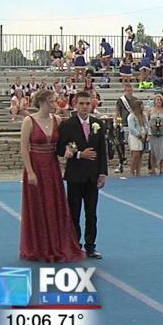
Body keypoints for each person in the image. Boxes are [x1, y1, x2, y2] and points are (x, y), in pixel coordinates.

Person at [19, 89, 85, 262]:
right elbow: (24, 148)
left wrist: (69, 151)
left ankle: (56, 243)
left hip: (52, 167)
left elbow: (63, 144)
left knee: (53, 204)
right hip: (35, 167)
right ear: (42, 102)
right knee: (38, 206)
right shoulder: (29, 121)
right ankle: (39, 246)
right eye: (52, 101)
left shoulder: (57, 120)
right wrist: (30, 172)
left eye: (55, 101)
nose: (55, 104)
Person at [56, 91, 108, 259]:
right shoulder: (67, 125)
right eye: (81, 104)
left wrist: (102, 173)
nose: (85, 107)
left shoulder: (98, 124)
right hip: (75, 176)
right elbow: (59, 148)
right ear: (75, 105)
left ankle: (91, 246)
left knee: (91, 213)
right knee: (74, 212)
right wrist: (78, 154)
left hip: (92, 176)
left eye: (87, 104)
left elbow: (102, 151)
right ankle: (74, 245)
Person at [147, 94, 163, 175]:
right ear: (154, 101)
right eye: (157, 100)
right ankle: (153, 168)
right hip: (153, 132)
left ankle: (162, 168)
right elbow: (147, 122)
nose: (159, 101)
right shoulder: (150, 110)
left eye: (160, 100)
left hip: (162, 132)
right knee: (153, 150)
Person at [127, 100, 149, 177]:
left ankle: (138, 171)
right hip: (134, 137)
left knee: (140, 154)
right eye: (141, 105)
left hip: (143, 135)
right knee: (135, 154)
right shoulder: (131, 116)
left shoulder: (144, 115)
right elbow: (132, 128)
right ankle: (132, 171)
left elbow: (147, 125)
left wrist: (146, 134)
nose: (143, 107)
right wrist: (138, 135)